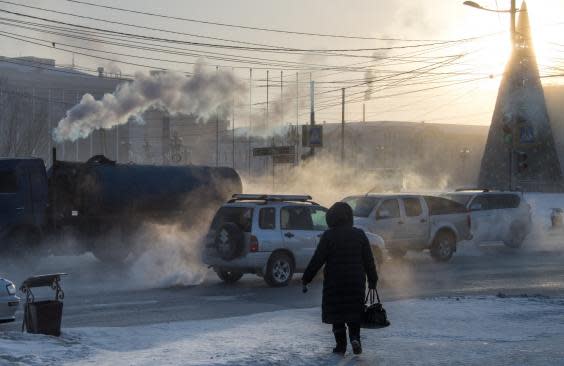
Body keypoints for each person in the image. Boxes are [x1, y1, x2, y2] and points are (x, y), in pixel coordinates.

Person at [302, 202, 378, 355]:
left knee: (337, 314)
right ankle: (355, 338)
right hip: (356, 282)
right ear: (349, 217)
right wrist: (373, 280)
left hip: (334, 282)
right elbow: (369, 261)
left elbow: (318, 259)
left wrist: (306, 278)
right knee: (354, 312)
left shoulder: (329, 236)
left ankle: (340, 346)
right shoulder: (359, 234)